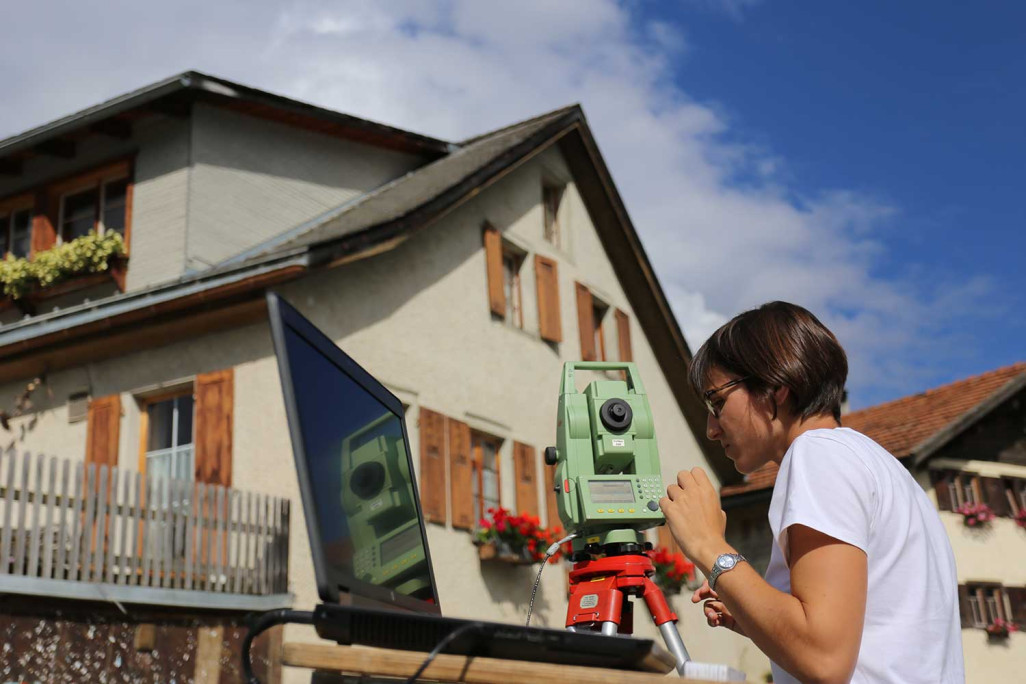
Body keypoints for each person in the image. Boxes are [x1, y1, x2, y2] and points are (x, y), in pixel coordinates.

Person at [660, 301, 964, 684]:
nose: (711, 428)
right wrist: (758, 613)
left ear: (775, 387)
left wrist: (709, 547)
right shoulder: (881, 467)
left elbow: (824, 659)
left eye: (717, 402)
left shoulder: (817, 454)